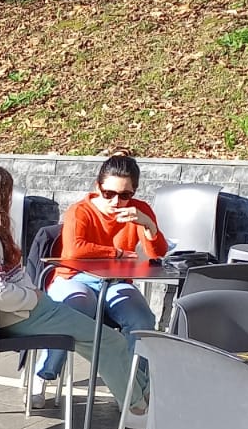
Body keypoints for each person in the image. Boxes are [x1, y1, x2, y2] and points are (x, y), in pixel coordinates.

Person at [0, 163, 148, 416]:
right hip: (17, 313)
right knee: (109, 340)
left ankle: (143, 394)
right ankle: (137, 407)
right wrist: (32, 296)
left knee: (95, 339)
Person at [37, 154, 166, 386]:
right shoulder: (80, 210)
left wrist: (148, 225)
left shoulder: (138, 211)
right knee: (75, 306)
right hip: (74, 278)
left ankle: (134, 386)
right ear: (98, 187)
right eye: (109, 193)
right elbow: (75, 250)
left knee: (142, 320)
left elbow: (157, 253)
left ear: (134, 192)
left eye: (125, 195)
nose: (116, 201)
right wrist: (117, 253)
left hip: (116, 282)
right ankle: (45, 373)